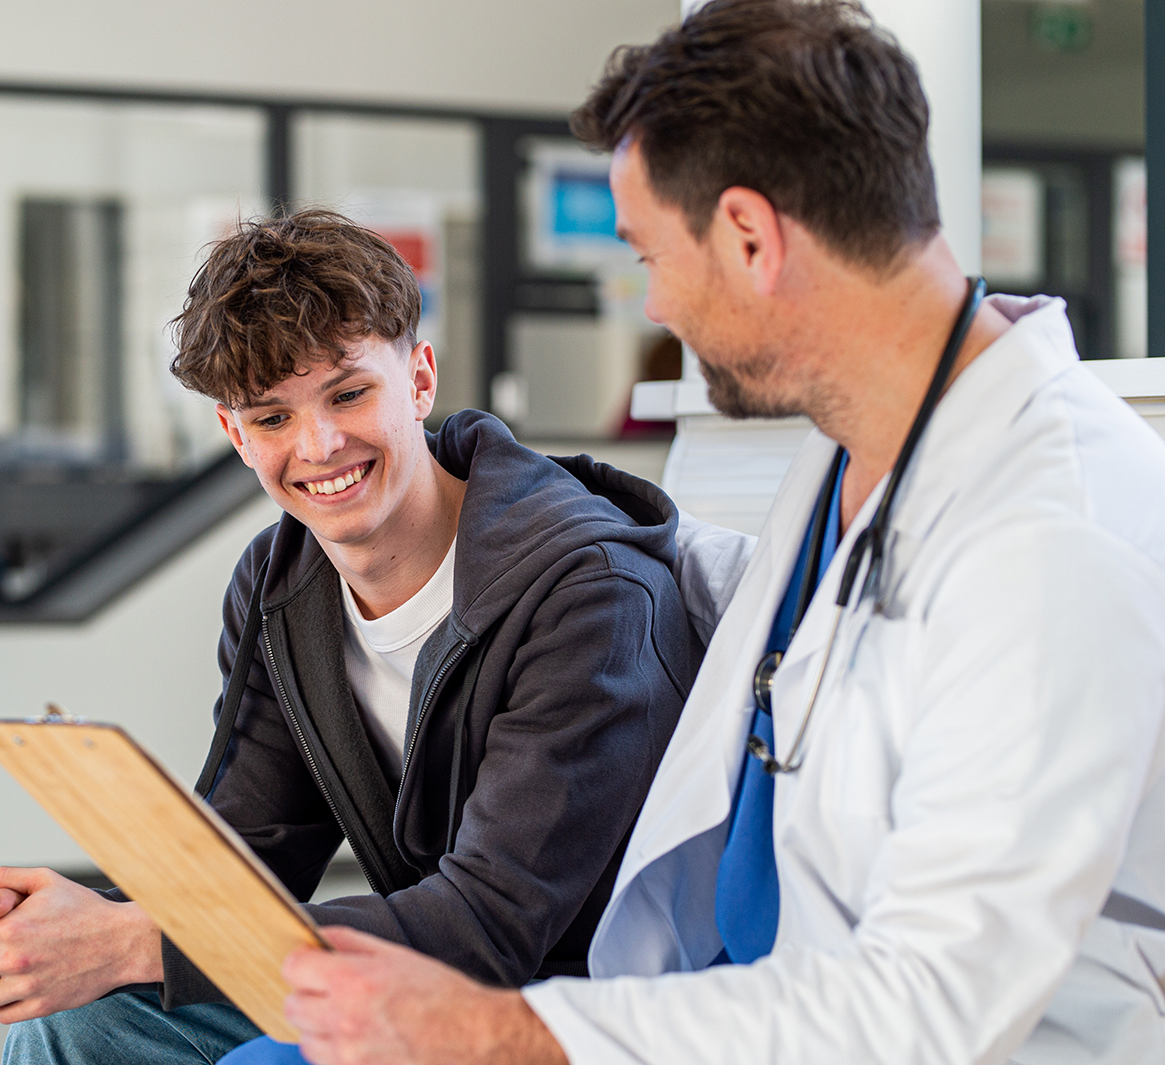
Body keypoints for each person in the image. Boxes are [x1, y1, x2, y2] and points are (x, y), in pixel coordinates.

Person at [267, 3, 1165, 1064]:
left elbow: (929, 1006)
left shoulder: (1052, 530)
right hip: (729, 1006)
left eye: (648, 256)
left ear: (748, 237)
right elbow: (753, 630)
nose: (654, 309)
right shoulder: (857, 451)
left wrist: (500, 1031)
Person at [0, 209, 706, 1063]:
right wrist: (87, 923)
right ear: (236, 435)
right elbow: (256, 854)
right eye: (271, 418)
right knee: (76, 1019)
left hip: (568, 1009)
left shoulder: (588, 592)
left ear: (419, 380)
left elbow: (489, 924)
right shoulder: (281, 587)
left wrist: (133, 943)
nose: (318, 445)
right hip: (407, 979)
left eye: (349, 393)